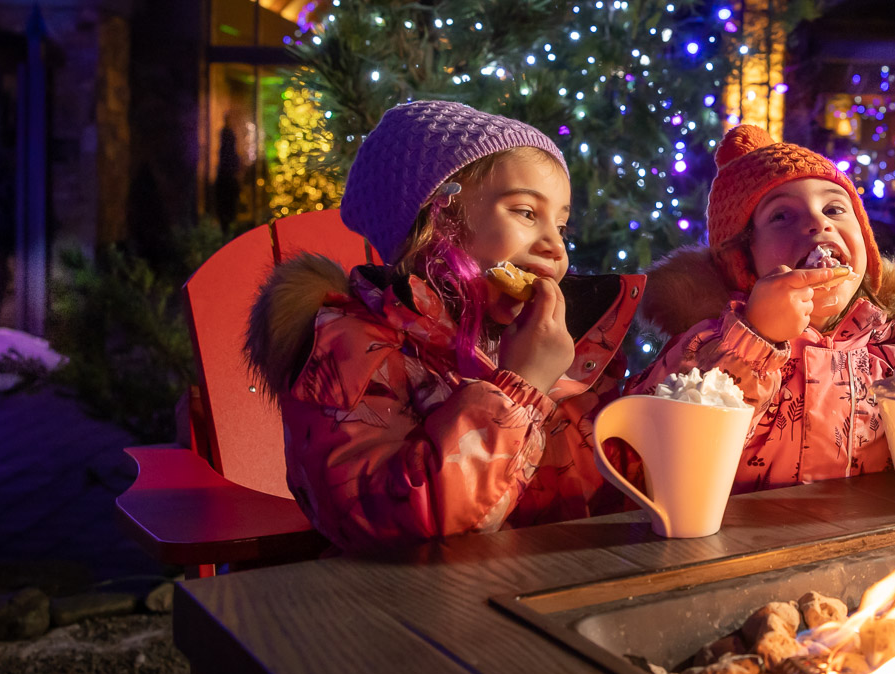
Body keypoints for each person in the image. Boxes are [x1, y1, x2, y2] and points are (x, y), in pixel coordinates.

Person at [244, 100, 644, 552]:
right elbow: (392, 517)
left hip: (541, 587)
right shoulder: (352, 347)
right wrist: (521, 387)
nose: (555, 246)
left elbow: (604, 483)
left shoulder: (549, 343)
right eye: (526, 213)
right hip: (408, 607)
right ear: (442, 217)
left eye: (563, 226)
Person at [629, 124, 895, 493]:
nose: (817, 223)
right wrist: (755, 339)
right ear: (743, 258)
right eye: (782, 215)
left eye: (835, 209)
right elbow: (639, 451)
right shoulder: (704, 348)